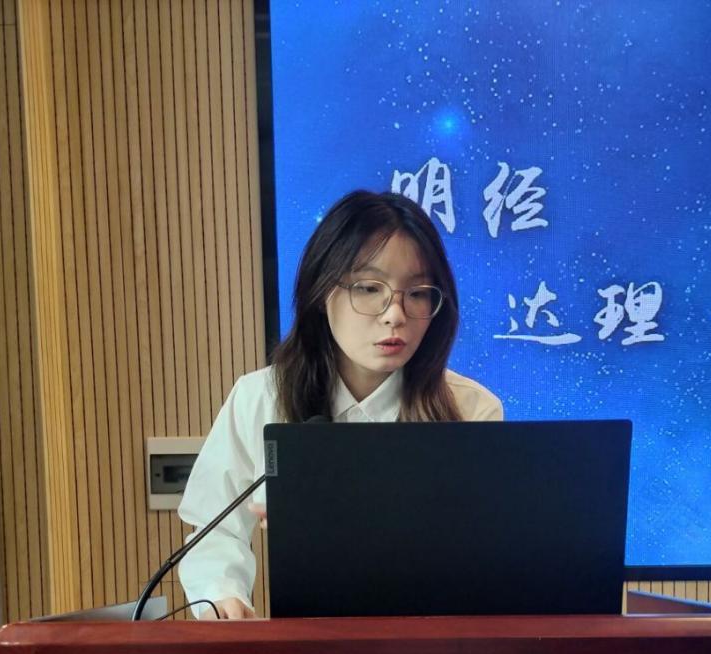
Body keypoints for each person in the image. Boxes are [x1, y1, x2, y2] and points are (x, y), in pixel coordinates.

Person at [177, 189, 503, 619]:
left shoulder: (471, 409)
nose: (395, 314)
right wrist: (224, 599)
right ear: (321, 291)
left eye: (418, 293)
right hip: (305, 646)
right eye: (369, 288)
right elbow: (214, 532)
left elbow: (481, 561)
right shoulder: (261, 397)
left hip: (436, 645)